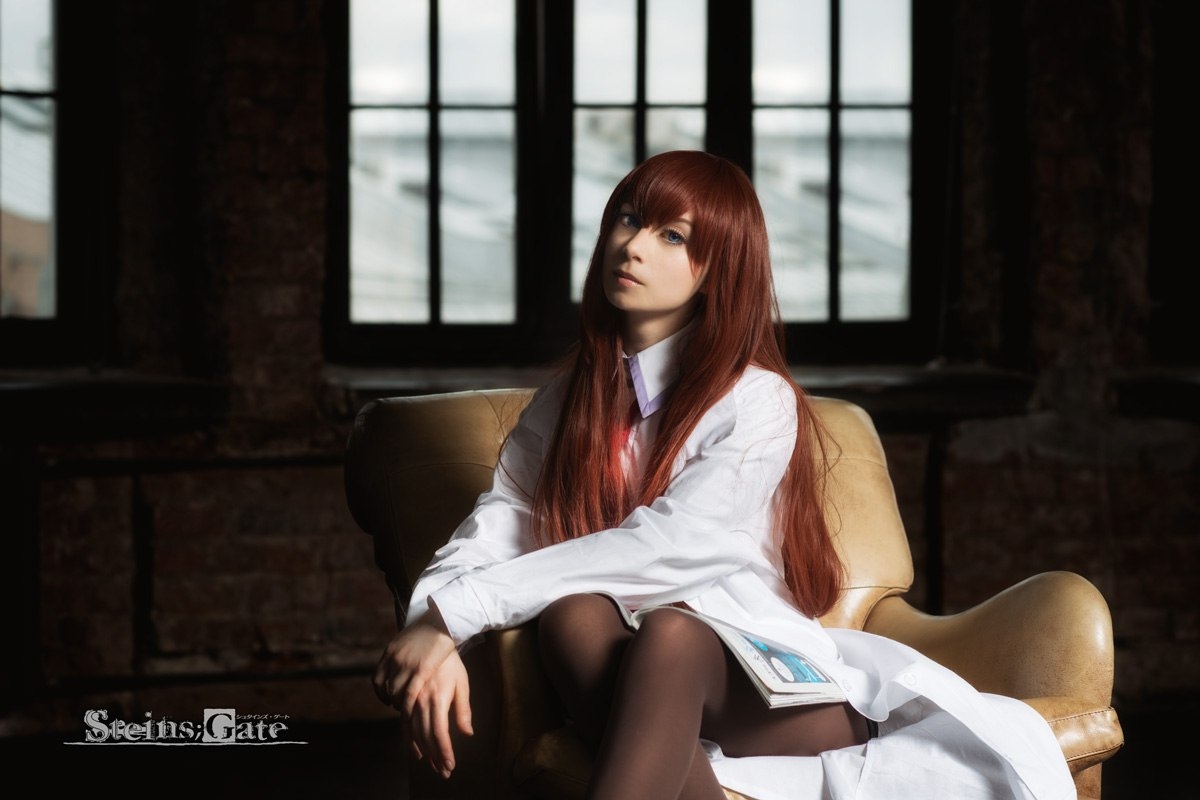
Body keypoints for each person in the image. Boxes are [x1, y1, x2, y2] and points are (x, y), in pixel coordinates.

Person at [373, 150, 1075, 800]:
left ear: (717, 269)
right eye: (628, 219)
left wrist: (461, 611)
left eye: (672, 236)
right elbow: (493, 529)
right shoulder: (565, 404)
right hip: (643, 675)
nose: (634, 246)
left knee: (672, 634)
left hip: (777, 689)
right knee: (573, 614)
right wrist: (431, 627)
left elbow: (672, 545)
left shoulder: (755, 400)